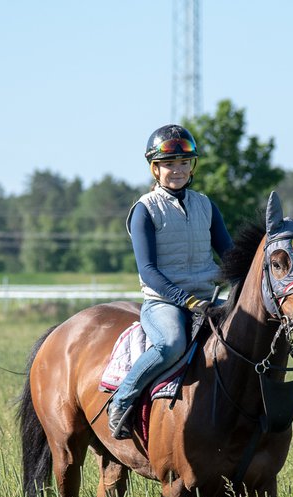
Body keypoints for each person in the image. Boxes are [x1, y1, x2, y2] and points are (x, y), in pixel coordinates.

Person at [108, 124, 234, 440]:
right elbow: (148, 270)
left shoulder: (206, 205)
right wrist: (187, 300)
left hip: (208, 296)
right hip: (164, 301)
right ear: (155, 168)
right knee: (171, 344)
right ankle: (122, 399)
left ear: (192, 166)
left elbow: (230, 255)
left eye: (183, 163)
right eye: (169, 164)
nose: (177, 170)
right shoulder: (144, 210)